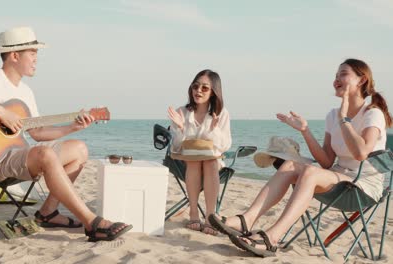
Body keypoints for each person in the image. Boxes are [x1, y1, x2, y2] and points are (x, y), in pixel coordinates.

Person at [0, 26, 132, 242]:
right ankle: (91, 222)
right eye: (32, 54)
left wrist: (72, 127)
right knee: (44, 154)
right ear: (15, 55)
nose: (36, 60)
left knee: (79, 149)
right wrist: (1, 112)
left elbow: (37, 132)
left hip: (18, 156)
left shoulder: (25, 92)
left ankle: (48, 212)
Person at [208, 58, 392, 257]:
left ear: (362, 80)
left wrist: (344, 118)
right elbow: (327, 161)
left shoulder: (373, 113)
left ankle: (273, 237)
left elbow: (361, 153)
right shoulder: (332, 115)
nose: (336, 79)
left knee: (311, 173)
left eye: (343, 74)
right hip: (339, 179)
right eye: (335, 75)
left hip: (363, 187)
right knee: (289, 166)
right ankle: (247, 219)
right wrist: (305, 130)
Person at [168, 69, 232, 235]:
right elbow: (175, 147)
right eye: (195, 86)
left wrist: (213, 130)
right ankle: (194, 212)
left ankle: (210, 216)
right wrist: (181, 127)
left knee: (210, 160)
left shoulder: (222, 114)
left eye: (205, 88)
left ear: (213, 92)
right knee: (194, 160)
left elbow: (224, 146)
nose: (198, 91)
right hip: (186, 164)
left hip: (212, 164)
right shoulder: (182, 112)